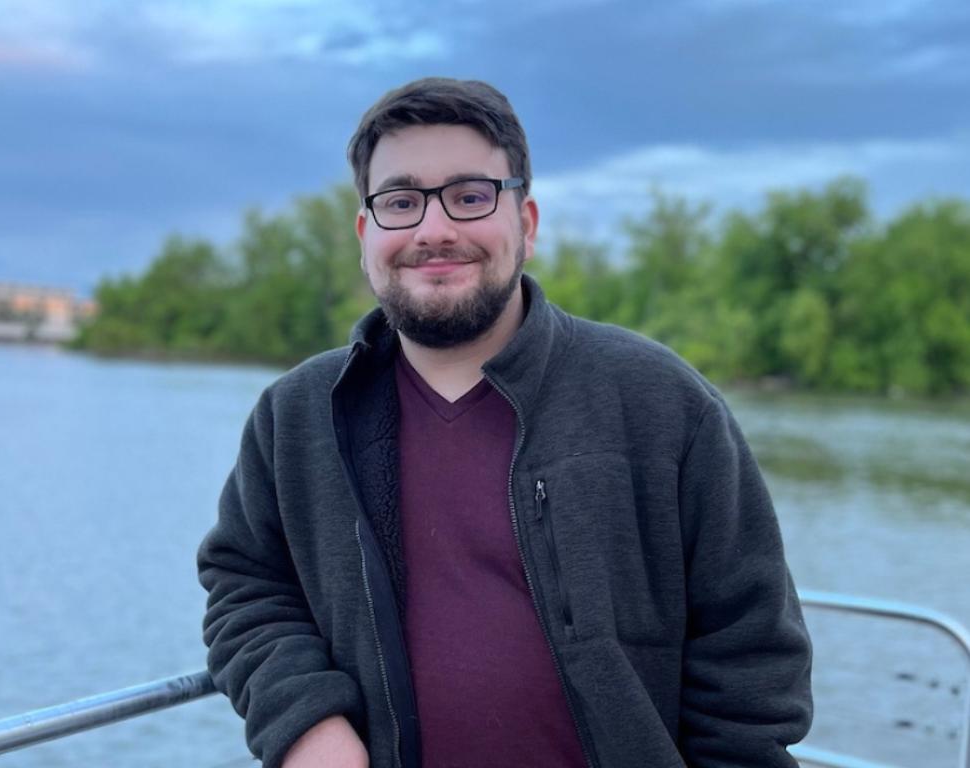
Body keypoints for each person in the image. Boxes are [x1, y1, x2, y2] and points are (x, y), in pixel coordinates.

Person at [198, 77, 813, 768]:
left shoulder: (662, 404)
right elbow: (245, 586)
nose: (434, 229)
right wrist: (308, 722)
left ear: (526, 223)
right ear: (367, 234)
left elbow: (751, 660)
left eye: (469, 196)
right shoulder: (299, 415)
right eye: (401, 201)